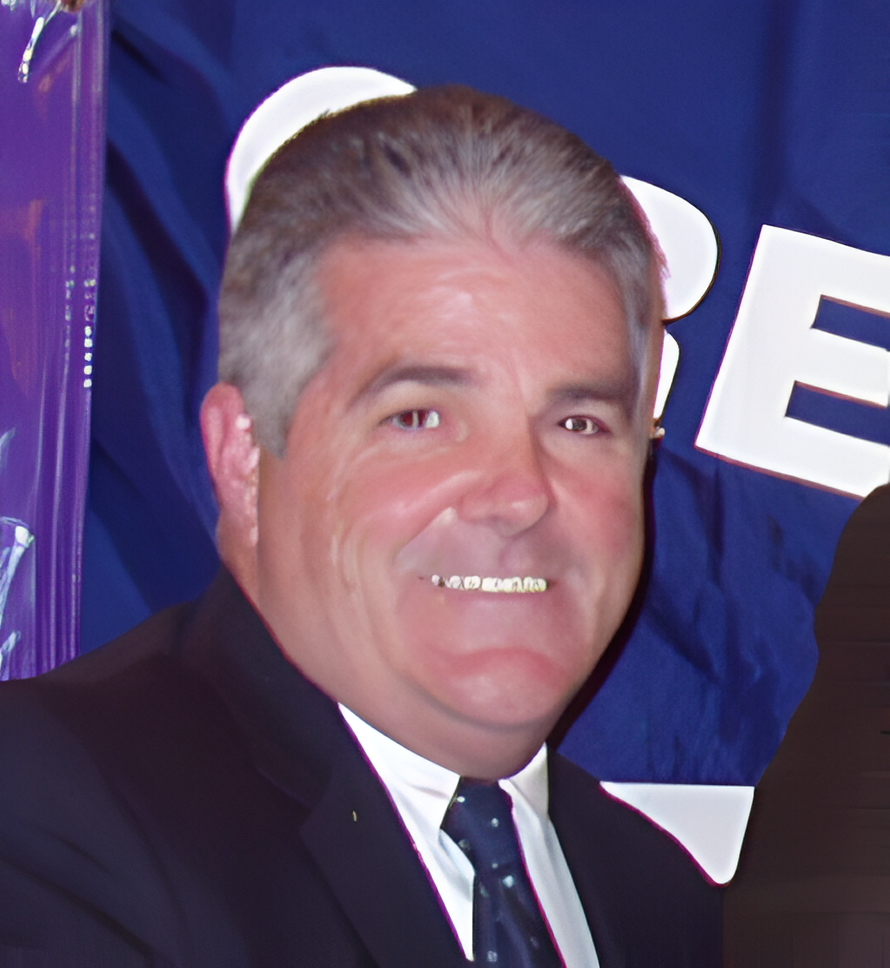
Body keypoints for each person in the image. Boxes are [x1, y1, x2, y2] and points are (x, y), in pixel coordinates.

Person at [0, 71, 721, 966]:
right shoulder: (42, 811)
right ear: (243, 458)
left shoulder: (663, 901)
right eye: (419, 416)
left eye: (578, 423)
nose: (520, 491)